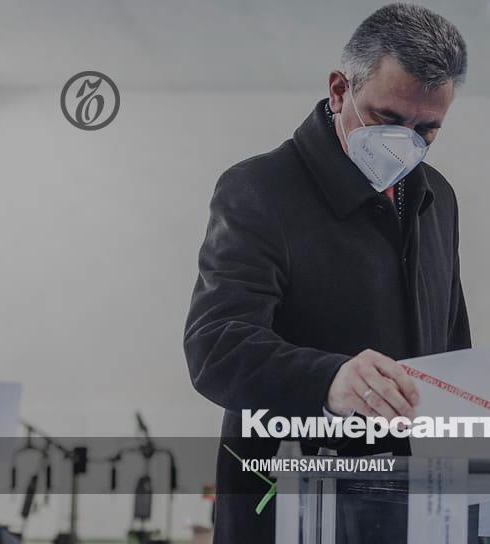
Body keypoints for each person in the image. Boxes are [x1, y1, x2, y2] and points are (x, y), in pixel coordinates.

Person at [182, 5, 470, 543]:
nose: (405, 142)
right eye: (387, 119)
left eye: (427, 129)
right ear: (339, 91)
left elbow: (452, 349)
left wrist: (474, 498)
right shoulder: (260, 189)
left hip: (408, 510)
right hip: (288, 500)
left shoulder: (438, 199)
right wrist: (329, 381)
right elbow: (215, 347)